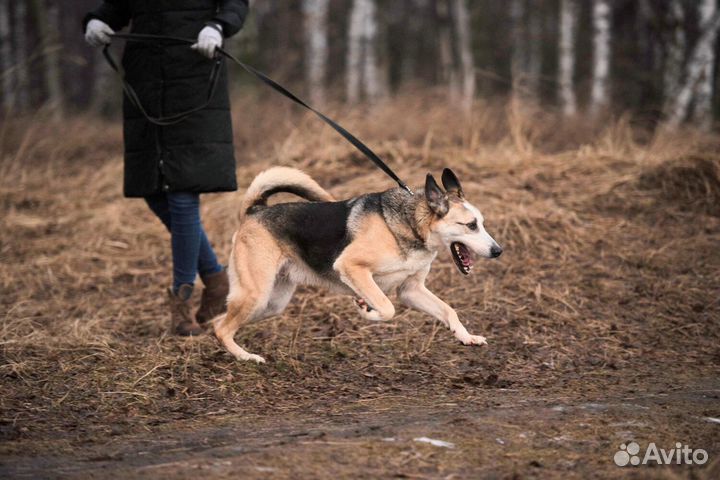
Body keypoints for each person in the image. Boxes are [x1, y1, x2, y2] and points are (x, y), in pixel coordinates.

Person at [83, 1, 249, 336]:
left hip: (195, 73)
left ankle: (181, 303)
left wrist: (217, 26)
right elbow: (118, 7)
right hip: (145, 80)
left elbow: (236, 3)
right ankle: (216, 279)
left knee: (182, 191)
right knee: (153, 190)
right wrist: (98, 20)